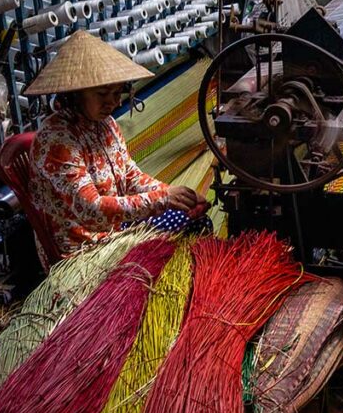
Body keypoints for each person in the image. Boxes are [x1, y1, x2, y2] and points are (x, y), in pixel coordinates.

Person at [24, 31, 209, 260]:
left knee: (195, 218)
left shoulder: (106, 124)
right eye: (102, 94)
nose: (112, 102)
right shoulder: (57, 141)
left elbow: (130, 176)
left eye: (117, 92)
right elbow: (92, 210)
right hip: (84, 249)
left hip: (115, 228)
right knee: (187, 230)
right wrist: (162, 199)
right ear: (75, 94)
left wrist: (173, 195)